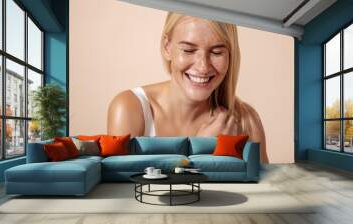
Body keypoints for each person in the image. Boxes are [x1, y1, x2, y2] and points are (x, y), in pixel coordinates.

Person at [107, 12, 268, 163]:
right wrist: (201, 150)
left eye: (217, 52)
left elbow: (266, 190)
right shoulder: (129, 109)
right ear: (167, 47)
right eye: (189, 50)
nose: (203, 67)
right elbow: (124, 191)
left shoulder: (247, 121)